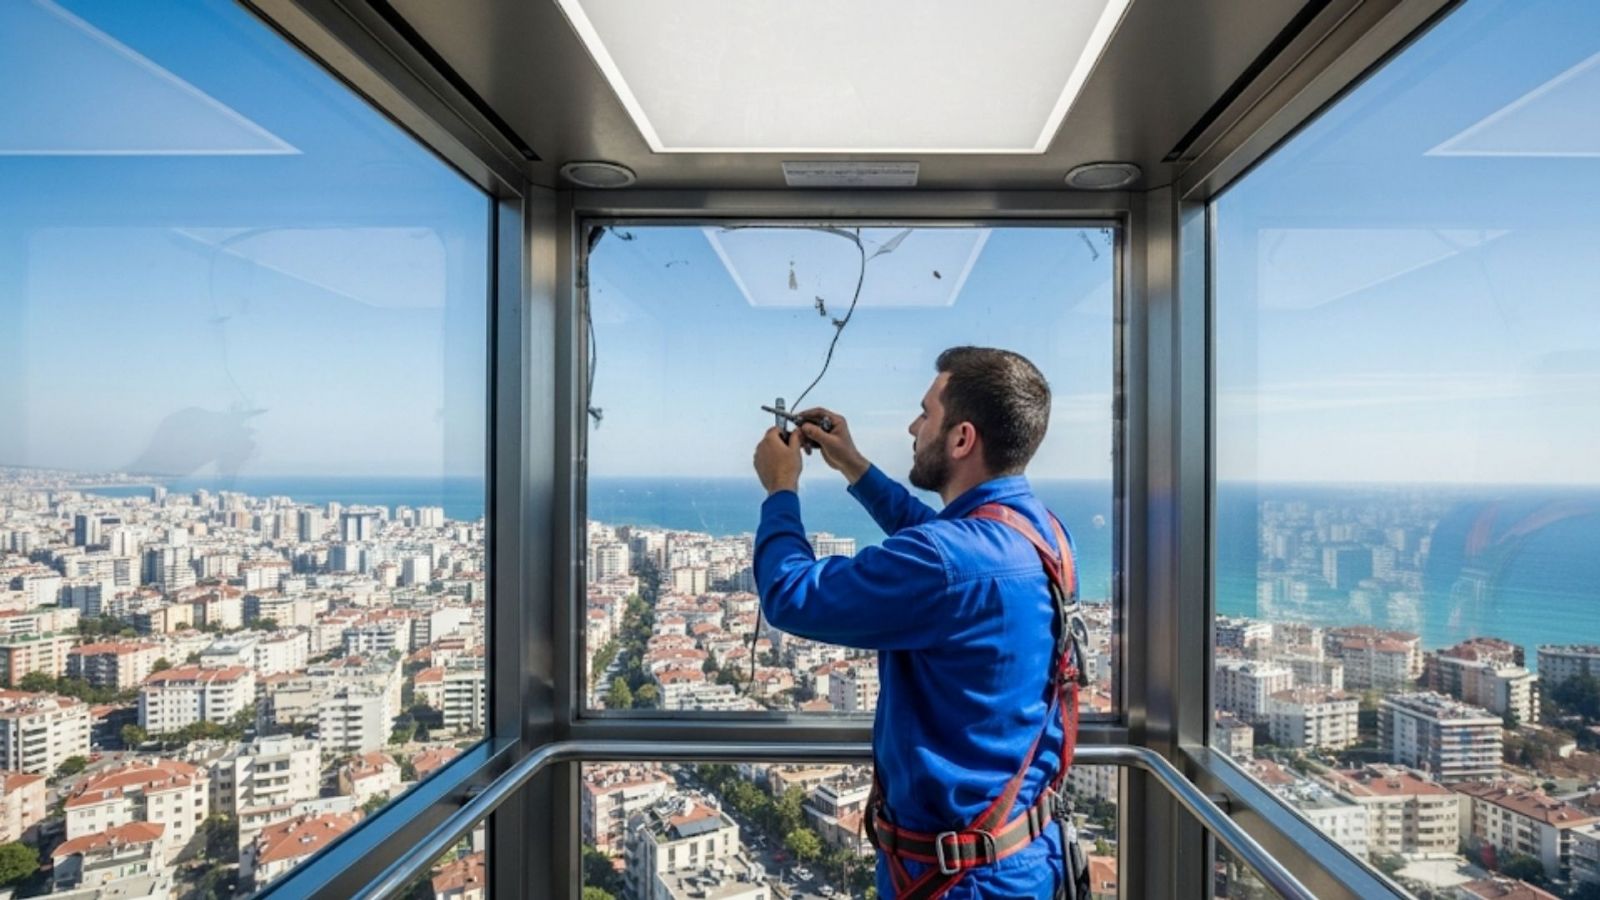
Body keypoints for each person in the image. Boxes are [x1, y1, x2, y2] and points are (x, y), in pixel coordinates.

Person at [752, 346, 1090, 899]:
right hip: (1026, 853)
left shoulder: (950, 560)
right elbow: (939, 541)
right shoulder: (1044, 534)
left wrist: (780, 490)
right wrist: (852, 464)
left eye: (925, 413)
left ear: (961, 439)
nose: (912, 427)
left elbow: (790, 594)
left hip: (960, 881)